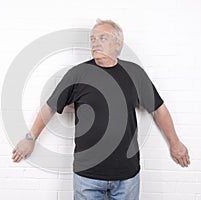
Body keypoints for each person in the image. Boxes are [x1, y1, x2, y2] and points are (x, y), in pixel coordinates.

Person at [12, 19, 190, 200]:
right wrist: (30, 138)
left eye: (102, 38)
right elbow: (49, 108)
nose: (95, 42)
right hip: (87, 175)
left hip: (127, 175)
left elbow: (159, 110)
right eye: (92, 38)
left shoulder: (134, 73)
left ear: (118, 44)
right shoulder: (78, 74)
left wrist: (175, 143)